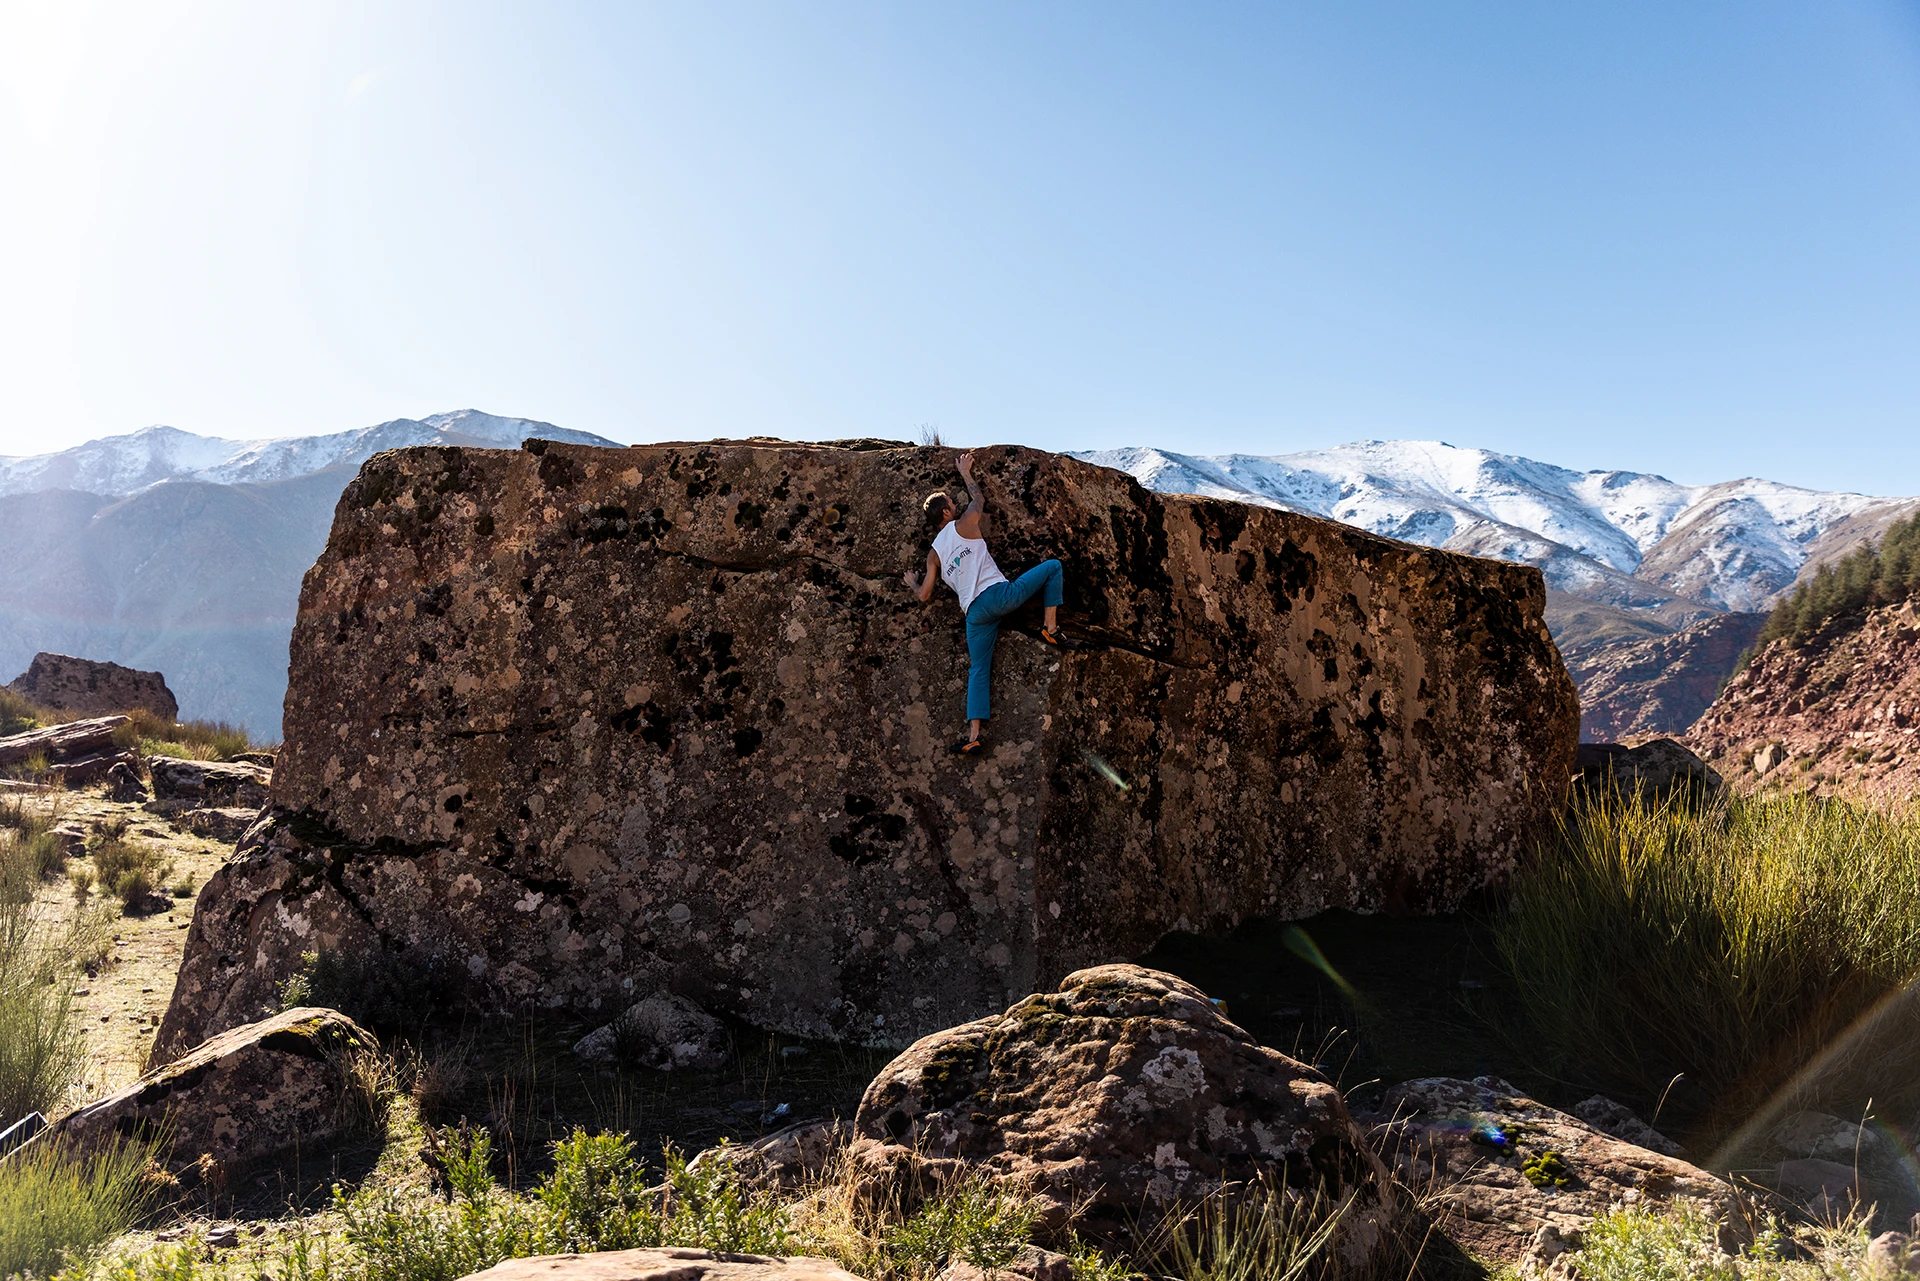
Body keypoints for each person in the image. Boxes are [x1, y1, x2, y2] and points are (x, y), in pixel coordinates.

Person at [903, 451, 1065, 755]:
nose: (956, 505)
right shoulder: (965, 523)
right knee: (1053, 567)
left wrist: (912, 582)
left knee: (978, 670)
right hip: (997, 596)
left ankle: (974, 734)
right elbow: (978, 500)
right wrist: (965, 473)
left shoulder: (933, 555)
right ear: (948, 513)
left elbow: (924, 595)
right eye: (952, 503)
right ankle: (1050, 628)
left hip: (974, 614)